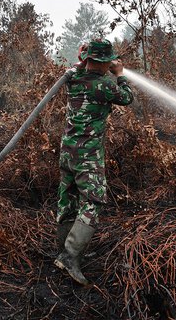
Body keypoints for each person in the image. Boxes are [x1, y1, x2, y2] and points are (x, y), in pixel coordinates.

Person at [54, 39, 134, 285]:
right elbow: (127, 97)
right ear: (100, 63)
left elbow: (80, 66)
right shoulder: (104, 86)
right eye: (108, 60)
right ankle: (70, 256)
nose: (111, 63)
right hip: (87, 156)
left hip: (68, 152)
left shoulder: (73, 79)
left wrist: (89, 60)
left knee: (68, 199)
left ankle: (63, 252)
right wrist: (120, 75)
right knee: (94, 201)